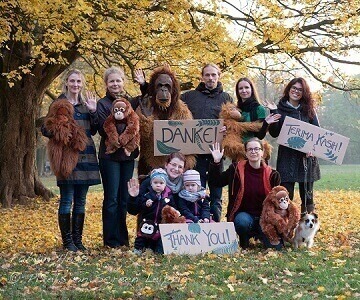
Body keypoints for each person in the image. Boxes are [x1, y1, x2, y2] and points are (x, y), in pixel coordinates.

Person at [42, 69, 101, 252]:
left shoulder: (86, 105)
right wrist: (61, 131)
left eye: (79, 82)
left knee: (81, 201)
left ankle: (78, 240)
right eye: (72, 81)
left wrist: (93, 111)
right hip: (66, 159)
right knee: (67, 200)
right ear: (66, 82)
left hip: (86, 156)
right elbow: (45, 129)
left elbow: (94, 130)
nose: (76, 84)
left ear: (81, 84)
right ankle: (68, 242)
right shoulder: (58, 104)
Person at [97, 66, 144, 248]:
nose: (115, 84)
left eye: (118, 80)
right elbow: (104, 129)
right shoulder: (102, 104)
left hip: (127, 157)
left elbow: (144, 104)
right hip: (110, 157)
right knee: (112, 199)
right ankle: (110, 240)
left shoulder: (130, 102)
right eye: (111, 81)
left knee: (124, 198)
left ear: (123, 82)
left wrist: (142, 85)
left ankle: (122, 239)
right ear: (107, 84)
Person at [181, 63, 233, 222]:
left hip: (216, 155)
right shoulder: (188, 96)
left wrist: (226, 128)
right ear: (202, 77)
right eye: (207, 75)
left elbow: (232, 122)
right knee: (194, 194)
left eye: (214, 75)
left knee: (216, 195)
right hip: (195, 155)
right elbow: (175, 116)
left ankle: (215, 229)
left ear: (219, 76)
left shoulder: (226, 98)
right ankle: (196, 228)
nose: (211, 78)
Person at [208, 139, 282, 250]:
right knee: (242, 222)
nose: (253, 152)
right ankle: (244, 239)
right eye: (250, 149)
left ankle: (262, 234)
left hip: (266, 217)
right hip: (244, 216)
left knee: (275, 248)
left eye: (257, 149)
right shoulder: (235, 169)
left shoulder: (273, 175)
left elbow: (280, 201)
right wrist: (216, 162)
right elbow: (217, 182)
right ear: (246, 153)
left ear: (262, 152)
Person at [268, 77, 321, 214]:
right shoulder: (279, 108)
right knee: (285, 196)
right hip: (287, 158)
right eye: (294, 88)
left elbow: (317, 132)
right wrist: (273, 112)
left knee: (307, 197)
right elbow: (274, 133)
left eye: (300, 89)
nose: (296, 91)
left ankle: (306, 231)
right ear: (289, 89)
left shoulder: (309, 110)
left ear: (304, 93)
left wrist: (312, 149)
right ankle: (285, 229)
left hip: (306, 159)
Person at [130, 169, 175, 254]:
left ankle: (150, 249)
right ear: (151, 183)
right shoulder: (147, 195)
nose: (158, 185)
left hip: (158, 221)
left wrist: (170, 210)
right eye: (155, 183)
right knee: (142, 236)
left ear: (165, 185)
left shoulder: (168, 197)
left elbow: (172, 207)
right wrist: (146, 204)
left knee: (154, 237)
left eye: (161, 183)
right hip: (147, 220)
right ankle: (138, 249)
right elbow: (141, 206)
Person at [235, 77, 281, 141]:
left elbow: (260, 136)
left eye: (246, 87)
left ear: (252, 89)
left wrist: (265, 123)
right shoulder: (235, 109)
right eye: (240, 88)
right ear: (237, 91)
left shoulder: (259, 109)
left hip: (252, 148)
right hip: (236, 146)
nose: (244, 90)